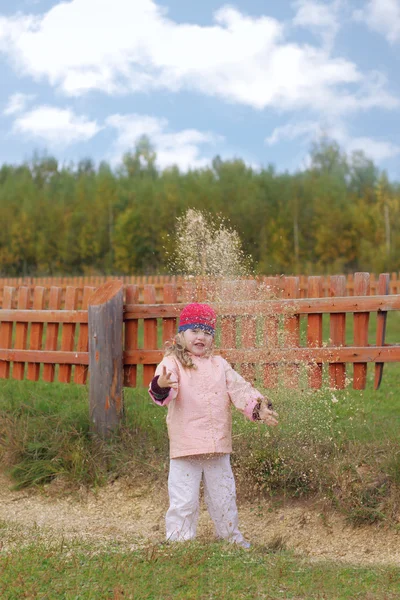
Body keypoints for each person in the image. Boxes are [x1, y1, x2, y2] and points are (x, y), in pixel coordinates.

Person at [148, 302, 278, 548]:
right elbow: (163, 393)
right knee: (184, 500)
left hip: (217, 445)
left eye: (207, 332)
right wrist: (161, 385)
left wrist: (258, 406)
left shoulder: (220, 364)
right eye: (194, 331)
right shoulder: (172, 362)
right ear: (181, 335)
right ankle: (179, 541)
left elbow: (239, 389)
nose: (201, 337)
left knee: (224, 497)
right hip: (186, 447)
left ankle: (230, 538)